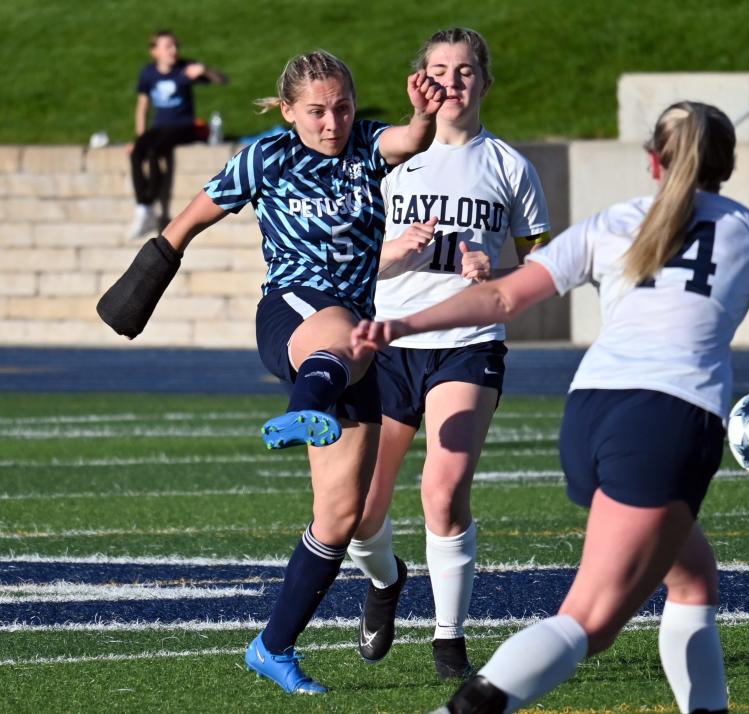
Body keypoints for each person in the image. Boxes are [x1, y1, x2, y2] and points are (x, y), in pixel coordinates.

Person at [352, 101, 749, 714]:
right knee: (592, 621)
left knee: (692, 579)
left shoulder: (614, 222)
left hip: (589, 414)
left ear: (651, 161)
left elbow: (502, 296)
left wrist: (399, 324)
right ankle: (462, 710)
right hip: (665, 425)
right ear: (730, 164)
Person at [98, 48, 446, 695]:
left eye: (341, 107)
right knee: (344, 337)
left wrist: (423, 114)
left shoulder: (367, 145)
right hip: (289, 314)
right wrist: (143, 282)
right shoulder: (265, 155)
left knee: (339, 517)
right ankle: (299, 410)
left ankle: (273, 647)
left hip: (351, 343)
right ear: (288, 110)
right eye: (315, 110)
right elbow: (191, 219)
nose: (331, 121)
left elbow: (409, 137)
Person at [344, 27, 551, 679]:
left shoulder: (511, 167)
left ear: (484, 82)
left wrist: (500, 269)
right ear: (420, 81)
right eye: (440, 70)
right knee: (356, 514)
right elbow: (345, 265)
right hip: (389, 343)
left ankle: (448, 639)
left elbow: (543, 266)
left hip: (467, 345)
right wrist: (393, 256)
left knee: (443, 487)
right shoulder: (387, 160)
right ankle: (384, 583)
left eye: (466, 71)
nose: (453, 81)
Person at [127, 30, 228, 239]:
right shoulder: (149, 73)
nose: (173, 50)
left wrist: (204, 70)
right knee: (138, 152)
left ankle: (147, 205)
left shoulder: (185, 68)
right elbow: (142, 107)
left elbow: (222, 80)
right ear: (154, 51)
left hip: (184, 126)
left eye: (175, 46)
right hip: (160, 126)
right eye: (167, 46)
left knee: (156, 151)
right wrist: (140, 138)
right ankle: (143, 208)